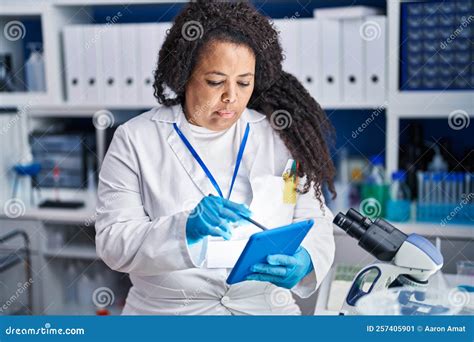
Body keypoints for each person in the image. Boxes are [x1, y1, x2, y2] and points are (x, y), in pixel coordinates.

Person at [95, 0, 337, 315]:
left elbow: (315, 219)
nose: (231, 97)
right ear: (183, 75)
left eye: (244, 82)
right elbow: (113, 241)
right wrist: (183, 230)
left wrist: (305, 259)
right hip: (169, 314)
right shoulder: (136, 138)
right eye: (215, 82)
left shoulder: (282, 135)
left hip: (265, 310)